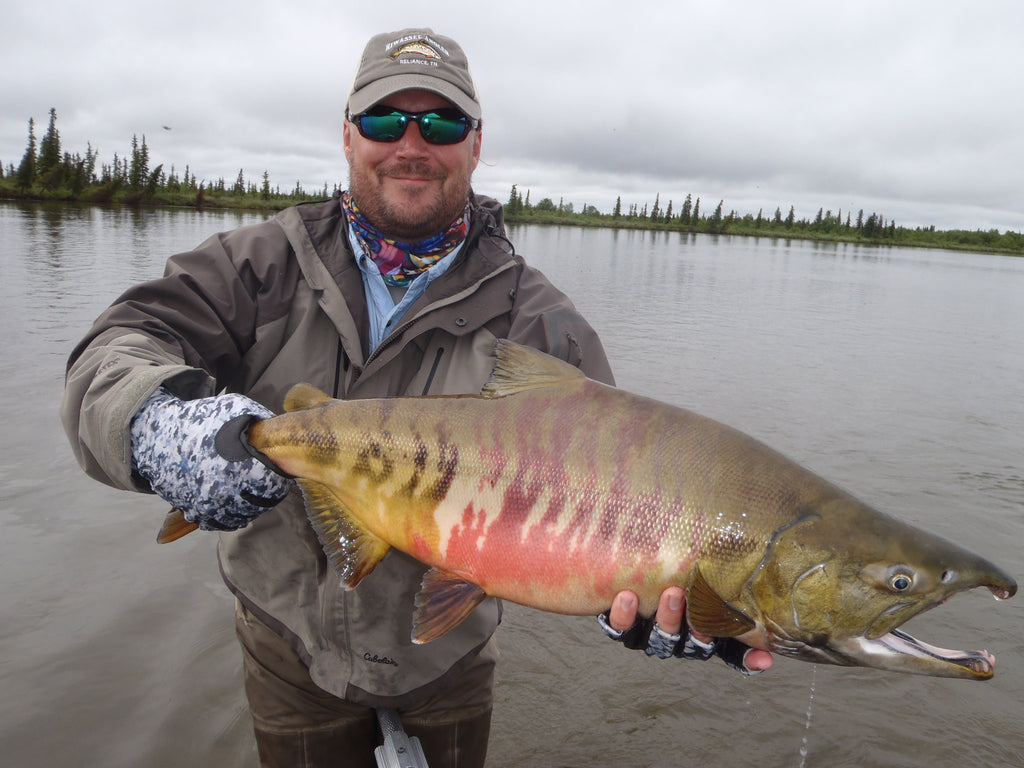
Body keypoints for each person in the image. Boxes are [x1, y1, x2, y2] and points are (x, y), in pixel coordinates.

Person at [61, 27, 770, 768]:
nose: (410, 143)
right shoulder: (256, 267)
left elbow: (608, 512)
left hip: (448, 669)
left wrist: (647, 596)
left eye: (440, 123)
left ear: (474, 143)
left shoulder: (544, 330)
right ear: (346, 136)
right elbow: (112, 350)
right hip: (286, 648)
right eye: (382, 120)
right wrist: (154, 422)